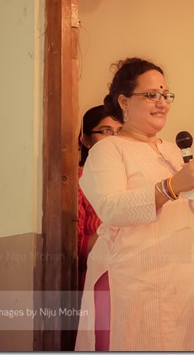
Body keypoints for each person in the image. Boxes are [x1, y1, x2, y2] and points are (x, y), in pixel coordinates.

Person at [74, 57, 194, 351]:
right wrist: (172, 186)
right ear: (124, 101)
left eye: (166, 95)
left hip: (184, 283)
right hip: (131, 284)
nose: (162, 102)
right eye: (151, 94)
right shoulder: (108, 149)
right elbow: (111, 208)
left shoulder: (174, 151)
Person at [77, 105, 122, 291]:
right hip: (95, 279)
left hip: (129, 281)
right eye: (105, 131)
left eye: (120, 132)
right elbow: (75, 249)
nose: (114, 139)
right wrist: (117, 228)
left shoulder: (129, 178)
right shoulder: (77, 181)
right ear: (86, 139)